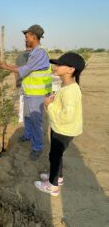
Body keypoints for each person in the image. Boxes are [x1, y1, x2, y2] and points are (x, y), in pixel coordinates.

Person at [34, 52, 85, 196]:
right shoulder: (68, 86)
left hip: (63, 130)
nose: (55, 66)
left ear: (70, 69)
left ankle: (53, 186)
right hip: (63, 128)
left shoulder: (70, 91)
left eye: (60, 64)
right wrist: (54, 100)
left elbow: (66, 116)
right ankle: (58, 178)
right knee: (57, 155)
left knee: (54, 157)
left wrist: (49, 105)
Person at [0, 25, 52, 160]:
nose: (25, 39)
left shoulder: (40, 52)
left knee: (36, 121)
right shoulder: (33, 52)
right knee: (27, 116)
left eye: (27, 36)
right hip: (29, 92)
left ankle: (37, 147)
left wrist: (6, 66)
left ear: (34, 37)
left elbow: (26, 69)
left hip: (37, 94)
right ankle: (27, 135)